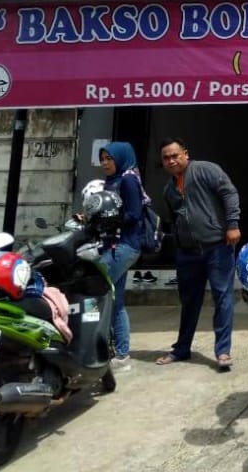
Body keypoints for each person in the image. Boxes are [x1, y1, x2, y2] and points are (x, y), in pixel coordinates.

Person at [155, 137, 241, 371]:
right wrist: (179, 245)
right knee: (189, 302)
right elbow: (175, 220)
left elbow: (229, 194)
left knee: (222, 296)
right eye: (166, 158)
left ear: (185, 154)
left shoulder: (206, 170)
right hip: (188, 254)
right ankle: (182, 349)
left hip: (217, 247)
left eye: (175, 155)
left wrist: (232, 224)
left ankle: (222, 352)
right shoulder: (168, 190)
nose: (171, 160)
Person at [95, 141, 148, 372]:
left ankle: (97, 349)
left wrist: (108, 219)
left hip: (124, 246)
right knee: (116, 303)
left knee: (95, 292)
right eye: (103, 159)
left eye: (110, 158)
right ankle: (122, 355)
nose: (105, 163)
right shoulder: (112, 181)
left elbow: (134, 214)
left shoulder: (127, 179)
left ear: (120, 158)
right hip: (114, 246)